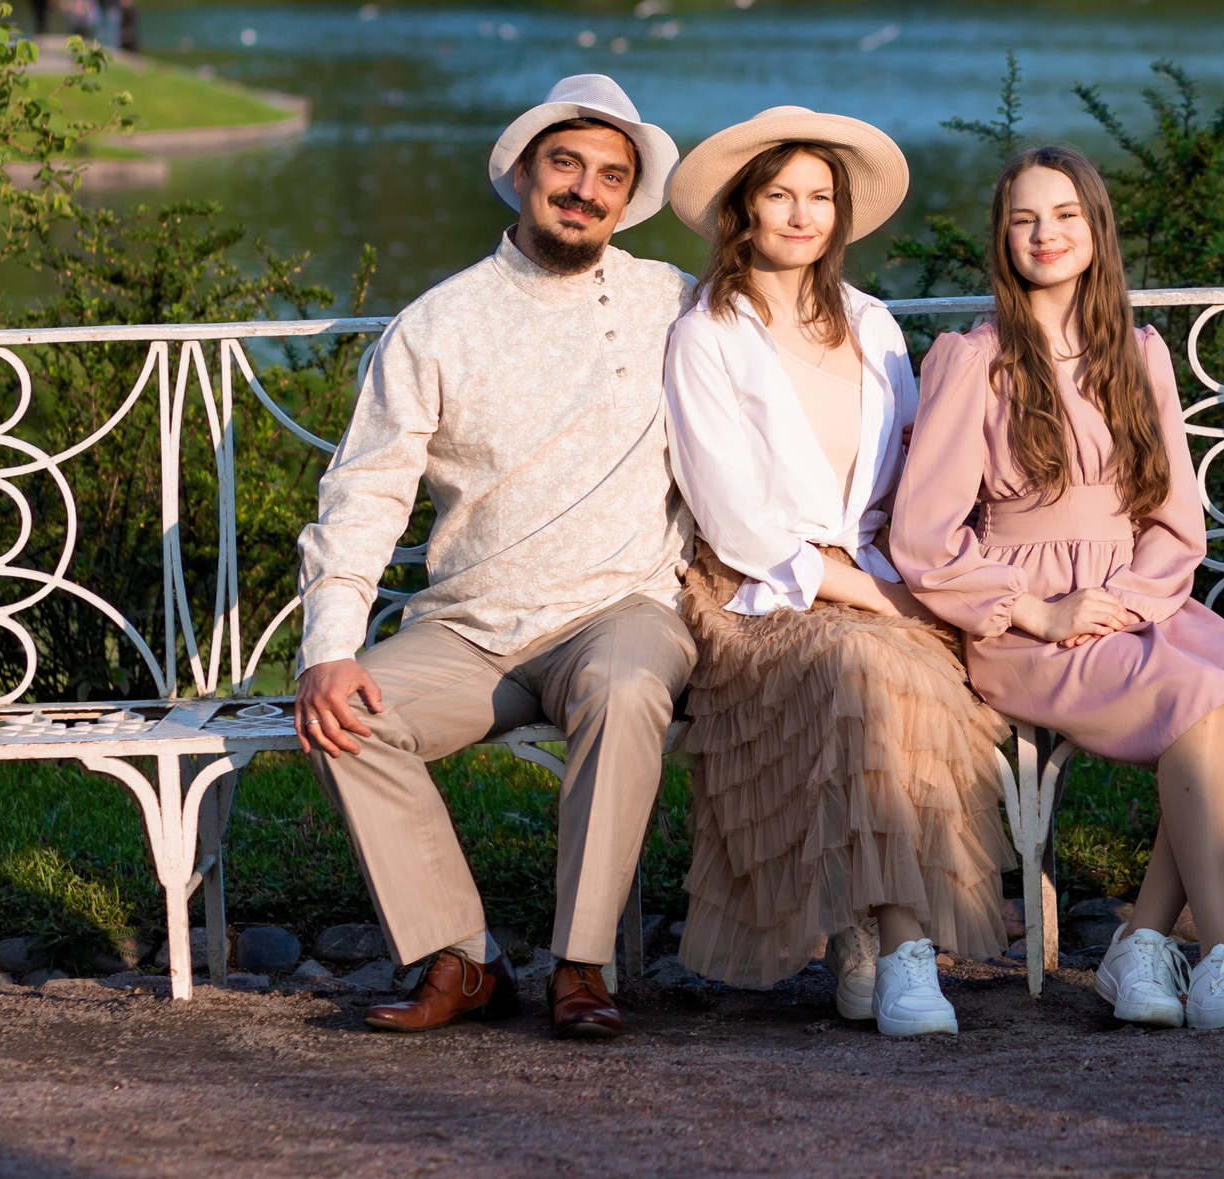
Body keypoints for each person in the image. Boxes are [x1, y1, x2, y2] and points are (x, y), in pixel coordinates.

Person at [293, 74, 695, 1041]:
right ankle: (462, 959)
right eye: (566, 164)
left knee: (627, 686)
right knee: (347, 716)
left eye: (610, 175)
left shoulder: (672, 301)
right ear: (523, 171)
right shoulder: (437, 323)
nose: (584, 189)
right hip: (473, 629)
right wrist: (328, 646)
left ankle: (583, 966)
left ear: (627, 197)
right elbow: (366, 491)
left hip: (622, 608)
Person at [894, 147, 1224, 1031]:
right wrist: (1039, 610)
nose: (1046, 233)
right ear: (1003, 237)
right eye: (1025, 218)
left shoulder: (1138, 354)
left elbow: (1175, 519)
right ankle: (1221, 954)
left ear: (1096, 227)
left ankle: (1141, 940)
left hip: (1130, 599)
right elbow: (923, 533)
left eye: (1065, 214)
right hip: (1026, 621)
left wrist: (1133, 601)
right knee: (1197, 699)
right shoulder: (976, 359)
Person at [663, 106, 1013, 1038]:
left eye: (819, 196)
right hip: (757, 592)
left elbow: (918, 473)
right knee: (866, 664)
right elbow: (731, 514)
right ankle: (906, 953)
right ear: (744, 209)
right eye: (780, 194)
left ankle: (860, 932)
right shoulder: (709, 333)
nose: (801, 214)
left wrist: (919, 580)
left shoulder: (873, 323)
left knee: (891, 674)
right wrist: (879, 596)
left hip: (883, 572)